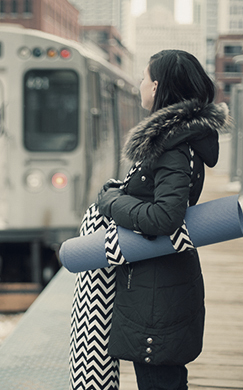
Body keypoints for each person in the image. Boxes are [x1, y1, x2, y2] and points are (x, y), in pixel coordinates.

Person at [95, 49, 230, 389]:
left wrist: (111, 202)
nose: (139, 83)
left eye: (143, 77)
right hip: (159, 283)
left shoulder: (171, 145)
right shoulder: (179, 140)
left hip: (156, 291)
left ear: (156, 87)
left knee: (159, 382)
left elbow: (164, 217)